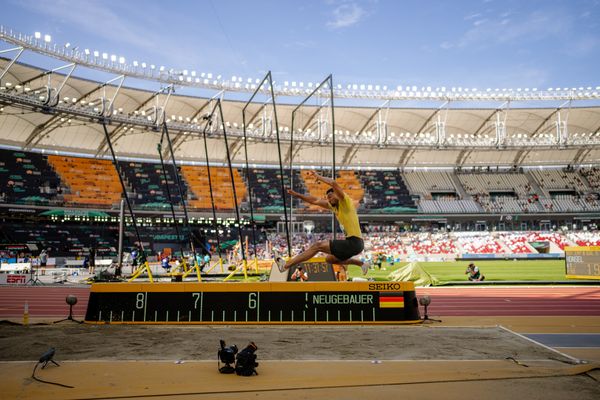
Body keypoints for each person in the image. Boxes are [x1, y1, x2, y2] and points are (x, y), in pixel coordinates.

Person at [274, 170, 369, 275]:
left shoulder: (345, 201)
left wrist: (318, 177)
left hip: (354, 242)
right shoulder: (333, 207)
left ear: (337, 195)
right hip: (354, 244)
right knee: (330, 259)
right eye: (328, 198)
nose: (329, 199)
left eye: (331, 196)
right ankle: (361, 263)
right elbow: (314, 201)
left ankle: (285, 265)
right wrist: (298, 195)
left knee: (317, 246)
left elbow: (333, 183)